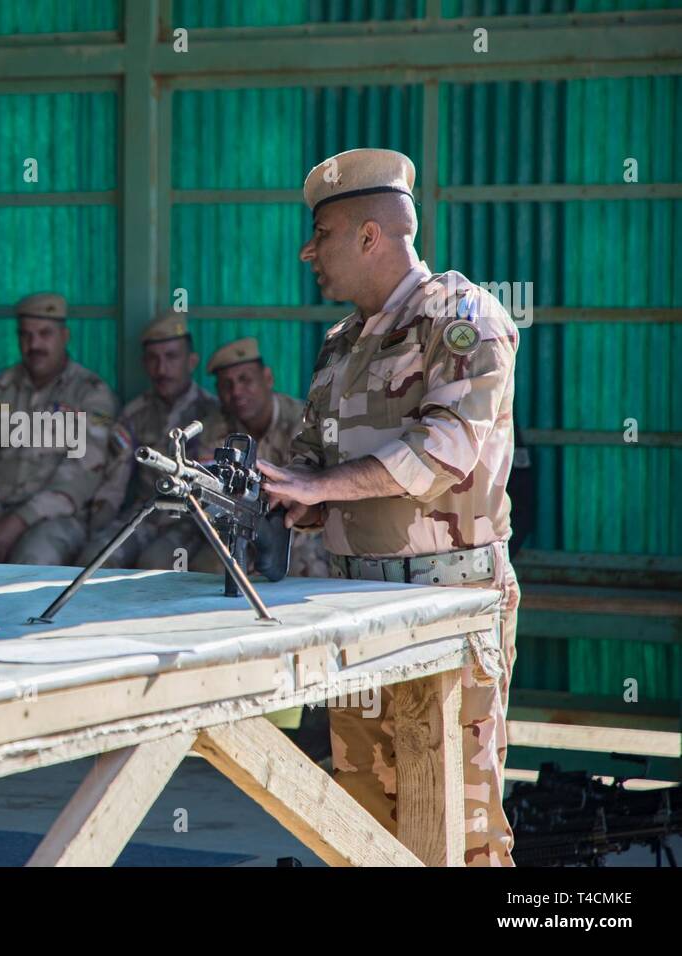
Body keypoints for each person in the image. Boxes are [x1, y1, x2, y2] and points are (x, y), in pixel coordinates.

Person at [261, 147, 521, 866]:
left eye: (324, 235)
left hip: (453, 605)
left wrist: (319, 487)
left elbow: (444, 452)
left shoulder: (464, 317)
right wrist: (277, 490)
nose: (308, 252)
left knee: (460, 822)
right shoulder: (340, 343)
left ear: (371, 236)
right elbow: (319, 472)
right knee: (363, 816)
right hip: (355, 603)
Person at [0, 292, 117, 565]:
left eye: (44, 334)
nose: (34, 344)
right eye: (25, 335)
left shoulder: (91, 393)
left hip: (56, 518)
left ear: (65, 336)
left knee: (32, 565)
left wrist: (18, 521)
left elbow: (82, 474)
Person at [75, 310, 223, 569]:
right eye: (153, 359)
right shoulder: (134, 414)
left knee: (156, 563)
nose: (161, 369)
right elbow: (114, 484)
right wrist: (96, 527)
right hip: (146, 512)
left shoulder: (213, 413)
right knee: (96, 558)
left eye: (171, 357)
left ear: (191, 361)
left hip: (191, 520)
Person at [192, 336, 331, 578]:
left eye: (245, 380)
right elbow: (209, 498)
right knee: (208, 571)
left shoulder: (303, 422)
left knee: (307, 572)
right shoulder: (213, 430)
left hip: (301, 529)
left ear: (268, 379)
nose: (236, 391)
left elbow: (319, 494)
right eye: (226, 385)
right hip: (234, 527)